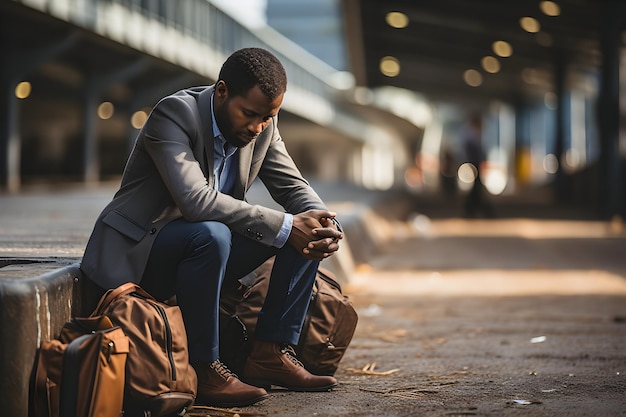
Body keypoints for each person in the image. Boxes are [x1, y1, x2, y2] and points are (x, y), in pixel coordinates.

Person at [80, 47, 344, 407]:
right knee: (219, 231)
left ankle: (271, 350)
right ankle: (204, 368)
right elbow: (195, 201)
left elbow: (292, 186)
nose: (257, 127)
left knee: (305, 230)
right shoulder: (174, 115)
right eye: (249, 114)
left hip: (203, 253)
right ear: (222, 92)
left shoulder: (264, 127)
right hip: (141, 252)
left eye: (268, 117)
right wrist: (285, 224)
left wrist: (324, 220)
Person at [462, 114, 494, 218]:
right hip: (474, 164)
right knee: (477, 188)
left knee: (477, 189)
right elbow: (474, 151)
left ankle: (472, 210)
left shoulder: (473, 135)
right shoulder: (472, 135)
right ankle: (479, 210)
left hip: (475, 164)